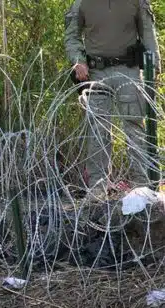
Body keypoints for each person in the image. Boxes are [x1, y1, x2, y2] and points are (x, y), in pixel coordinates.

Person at [64, 0, 161, 196]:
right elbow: (71, 36)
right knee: (97, 130)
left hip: (129, 70)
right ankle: (98, 188)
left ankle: (142, 185)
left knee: (135, 126)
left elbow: (148, 34)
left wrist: (154, 67)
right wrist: (78, 61)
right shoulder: (82, 3)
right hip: (96, 72)